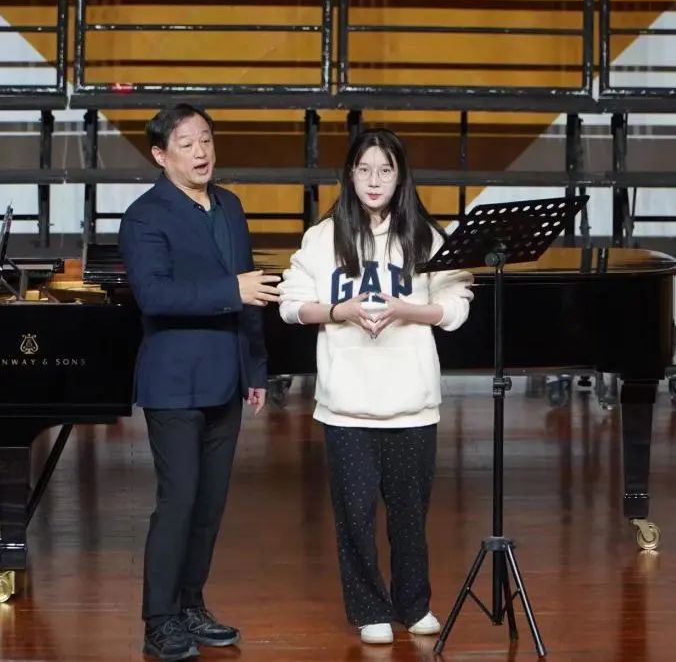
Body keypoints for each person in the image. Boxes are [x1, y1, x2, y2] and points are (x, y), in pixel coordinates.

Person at [278, 129, 474, 645]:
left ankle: (415, 604)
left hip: (413, 402)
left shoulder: (427, 237)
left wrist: (408, 309)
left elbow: (456, 308)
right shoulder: (323, 238)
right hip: (346, 406)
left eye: (385, 170)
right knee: (355, 517)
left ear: (400, 176)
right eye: (364, 169)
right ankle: (369, 608)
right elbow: (291, 306)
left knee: (410, 515)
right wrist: (338, 310)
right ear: (349, 174)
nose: (374, 180)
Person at [119, 103, 280, 661]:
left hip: (227, 376)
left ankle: (190, 604)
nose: (201, 152)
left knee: (210, 505)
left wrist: (255, 368)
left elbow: (252, 290)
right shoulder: (145, 216)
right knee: (179, 501)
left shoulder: (230, 205)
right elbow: (155, 296)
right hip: (174, 381)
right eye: (186, 144)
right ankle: (159, 619)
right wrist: (231, 290)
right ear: (160, 156)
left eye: (206, 139)